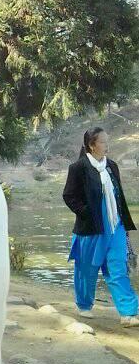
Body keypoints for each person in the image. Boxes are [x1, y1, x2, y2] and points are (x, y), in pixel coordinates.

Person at [62, 127, 139, 328]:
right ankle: (84, 304)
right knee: (86, 269)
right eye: (103, 142)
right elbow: (69, 196)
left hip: (115, 226)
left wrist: (125, 225)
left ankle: (128, 313)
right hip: (90, 229)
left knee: (118, 268)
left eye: (107, 141)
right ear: (91, 145)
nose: (107, 145)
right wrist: (87, 213)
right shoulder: (78, 168)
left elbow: (118, 197)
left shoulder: (112, 166)